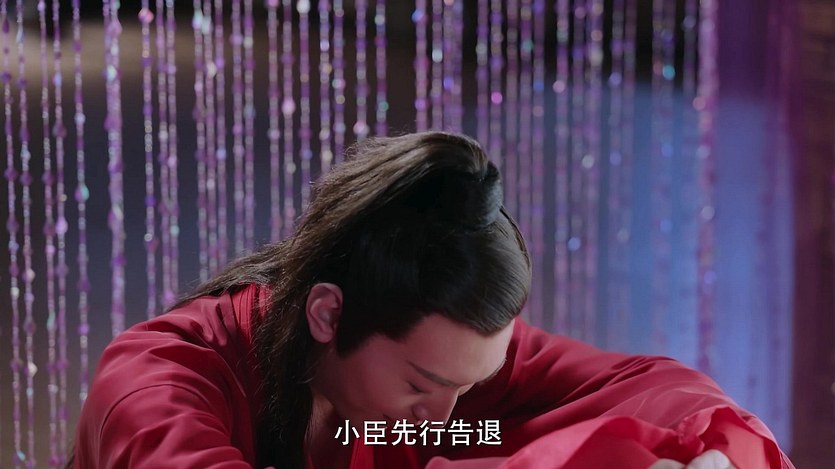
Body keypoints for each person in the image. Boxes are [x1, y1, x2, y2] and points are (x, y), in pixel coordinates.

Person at [71, 131, 793, 468]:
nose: (441, 417)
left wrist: (705, 456)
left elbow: (648, 386)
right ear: (328, 313)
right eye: (421, 386)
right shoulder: (157, 382)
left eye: (466, 388)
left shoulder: (433, 370)